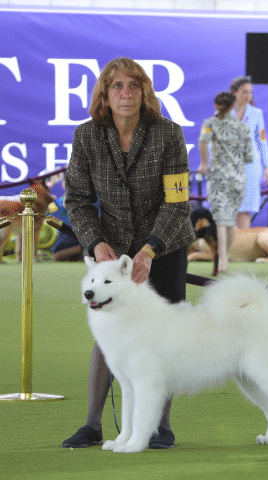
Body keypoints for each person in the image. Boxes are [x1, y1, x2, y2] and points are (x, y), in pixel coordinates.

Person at [61, 57, 195, 449]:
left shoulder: (169, 134)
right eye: (117, 86)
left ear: (145, 93)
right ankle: (92, 425)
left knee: (165, 335)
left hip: (164, 244)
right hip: (112, 250)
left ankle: (160, 427)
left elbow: (177, 202)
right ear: (105, 94)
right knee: (109, 331)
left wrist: (151, 248)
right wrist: (94, 241)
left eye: (133, 86)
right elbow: (78, 199)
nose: (125, 93)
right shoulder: (86, 136)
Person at [197, 91, 253, 273]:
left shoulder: (210, 123)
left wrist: (204, 162)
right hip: (237, 178)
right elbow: (249, 156)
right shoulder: (243, 127)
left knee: (221, 220)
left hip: (218, 177)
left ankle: (222, 259)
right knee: (230, 221)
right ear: (232, 107)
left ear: (216, 105)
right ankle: (225, 256)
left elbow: (202, 141)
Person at [229, 77, 268, 229]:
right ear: (234, 93)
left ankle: (243, 247)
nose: (248, 96)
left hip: (250, 167)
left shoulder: (256, 113)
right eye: (244, 92)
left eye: (250, 92)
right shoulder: (222, 112)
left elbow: (262, 140)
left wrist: (267, 166)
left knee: (244, 209)